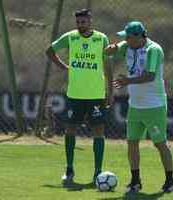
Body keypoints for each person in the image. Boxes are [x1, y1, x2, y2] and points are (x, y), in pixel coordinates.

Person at [105, 21, 173, 193]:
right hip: (135, 105)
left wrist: (127, 81)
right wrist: (110, 49)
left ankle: (170, 182)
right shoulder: (128, 46)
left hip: (154, 105)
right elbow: (114, 50)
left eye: (128, 37)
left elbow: (150, 76)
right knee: (132, 143)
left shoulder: (154, 50)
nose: (126, 40)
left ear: (139, 36)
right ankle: (135, 181)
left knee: (160, 143)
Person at [46, 8, 113, 184]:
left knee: (98, 131)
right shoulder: (70, 37)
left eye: (84, 22)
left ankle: (97, 172)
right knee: (70, 130)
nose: (81, 25)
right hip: (75, 94)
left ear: (90, 21)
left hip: (96, 94)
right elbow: (49, 51)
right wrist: (62, 66)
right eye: (78, 22)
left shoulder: (101, 38)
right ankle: (69, 169)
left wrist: (110, 91)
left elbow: (107, 66)